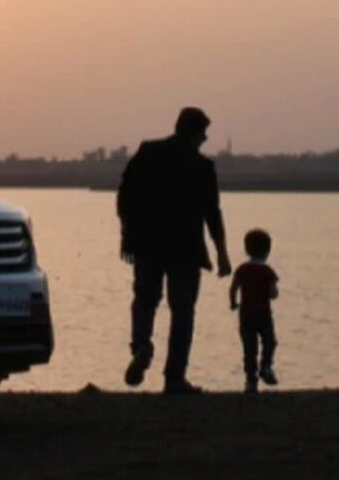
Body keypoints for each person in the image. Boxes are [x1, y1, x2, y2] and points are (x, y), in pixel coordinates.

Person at [117, 107, 231, 394]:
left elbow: (126, 197)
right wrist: (222, 253)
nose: (205, 139)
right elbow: (212, 214)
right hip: (185, 249)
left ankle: (142, 347)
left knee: (144, 301)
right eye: (203, 134)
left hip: (147, 245)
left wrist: (127, 237)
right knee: (182, 312)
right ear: (194, 133)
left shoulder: (148, 152)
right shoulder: (203, 167)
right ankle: (174, 377)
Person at [229, 228, 279, 393]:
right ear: (268, 250)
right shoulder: (268, 272)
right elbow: (273, 294)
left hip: (246, 314)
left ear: (247, 249)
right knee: (269, 342)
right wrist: (272, 292)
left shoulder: (242, 269)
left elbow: (233, 288)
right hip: (264, 314)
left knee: (249, 348)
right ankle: (265, 366)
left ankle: (251, 379)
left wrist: (233, 302)